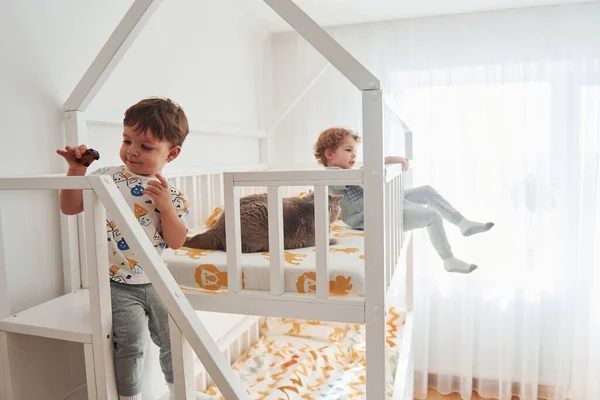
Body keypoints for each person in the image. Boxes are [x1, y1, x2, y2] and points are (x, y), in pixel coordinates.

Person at [58, 98, 204, 399]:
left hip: (157, 280)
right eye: (127, 140)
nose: (132, 151)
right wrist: (76, 170)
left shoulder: (172, 194)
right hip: (117, 284)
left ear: (172, 154)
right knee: (131, 344)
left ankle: (179, 392)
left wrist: (166, 208)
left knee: (173, 340)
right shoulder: (106, 179)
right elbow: (70, 207)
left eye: (146, 147)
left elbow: (176, 241)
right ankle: (129, 396)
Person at [314, 127, 494, 273]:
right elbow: (362, 173)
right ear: (329, 155)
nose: (354, 155)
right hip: (369, 217)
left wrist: (390, 160)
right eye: (348, 150)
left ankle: (462, 223)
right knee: (431, 216)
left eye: (354, 150)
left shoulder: (348, 172)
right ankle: (448, 259)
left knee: (427, 191)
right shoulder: (332, 175)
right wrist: (384, 161)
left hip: (378, 204)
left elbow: (364, 170)